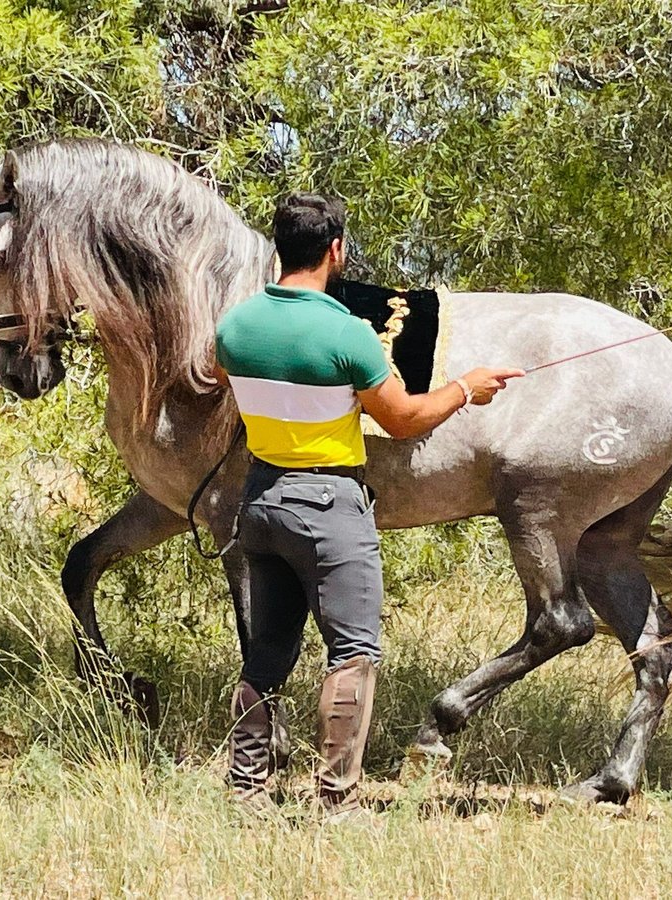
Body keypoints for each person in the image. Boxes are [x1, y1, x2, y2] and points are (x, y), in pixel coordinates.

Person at [214, 192, 523, 821]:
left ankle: (246, 789)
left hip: (261, 500)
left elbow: (222, 379)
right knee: (353, 652)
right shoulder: (348, 334)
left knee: (268, 652)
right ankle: (336, 799)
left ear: (280, 248)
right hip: (329, 507)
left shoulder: (236, 326)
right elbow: (406, 420)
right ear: (335, 251)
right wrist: (466, 387)